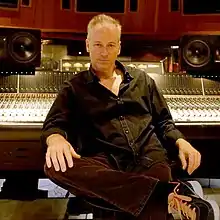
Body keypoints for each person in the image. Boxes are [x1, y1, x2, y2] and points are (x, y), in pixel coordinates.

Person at [41, 14, 219, 220]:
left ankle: (162, 195)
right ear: (88, 45)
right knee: (54, 165)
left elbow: (164, 121)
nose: (104, 52)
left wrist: (181, 142)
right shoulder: (74, 87)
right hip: (105, 162)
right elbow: (55, 123)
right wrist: (55, 139)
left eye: (110, 45)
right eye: (98, 44)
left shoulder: (142, 80)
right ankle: (169, 193)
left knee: (130, 205)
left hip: (149, 157)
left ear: (119, 46)